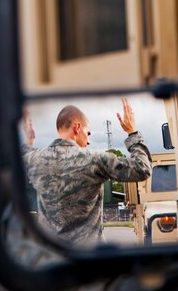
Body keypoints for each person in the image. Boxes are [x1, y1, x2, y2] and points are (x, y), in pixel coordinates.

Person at [22, 98, 152, 245]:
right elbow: (142, 169)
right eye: (88, 133)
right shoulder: (94, 160)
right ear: (77, 128)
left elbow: (19, 157)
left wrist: (29, 141)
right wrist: (132, 133)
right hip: (89, 258)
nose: (89, 141)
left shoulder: (36, 160)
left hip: (52, 258)